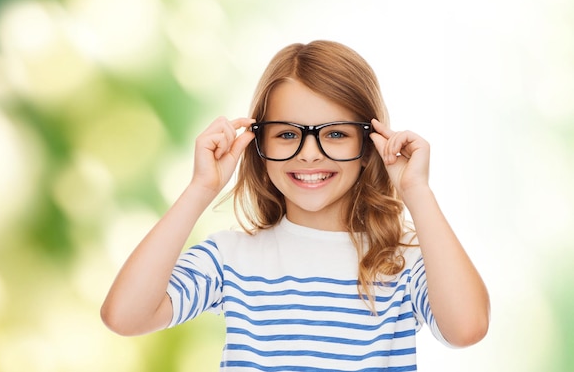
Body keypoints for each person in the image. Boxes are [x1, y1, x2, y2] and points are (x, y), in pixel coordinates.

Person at [101, 40, 490, 371]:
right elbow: (125, 316)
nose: (308, 155)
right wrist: (201, 188)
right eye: (287, 134)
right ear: (259, 143)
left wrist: (417, 192)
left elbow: (466, 328)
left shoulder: (402, 263)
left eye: (335, 134)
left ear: (369, 143)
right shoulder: (231, 258)